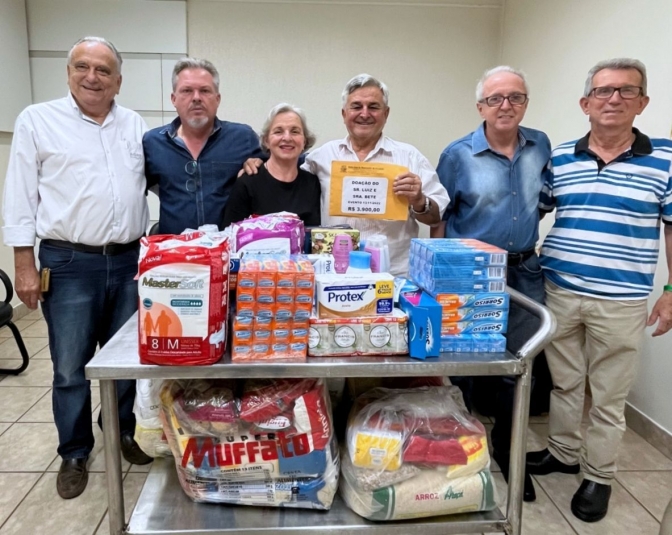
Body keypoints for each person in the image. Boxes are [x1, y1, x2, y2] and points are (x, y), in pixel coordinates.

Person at [1, 36, 152, 500]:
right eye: (83, 67)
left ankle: (121, 429)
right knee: (70, 365)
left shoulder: (134, 125)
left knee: (126, 359)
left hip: (128, 258)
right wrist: (23, 263)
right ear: (68, 73)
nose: (93, 77)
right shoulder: (37, 121)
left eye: (103, 70)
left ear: (118, 81)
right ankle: (74, 450)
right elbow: (20, 195)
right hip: (68, 262)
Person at [527, 58, 672, 522]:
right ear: (585, 102)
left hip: (622, 299)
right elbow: (539, 213)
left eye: (626, 91)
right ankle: (564, 453)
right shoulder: (562, 156)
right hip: (560, 288)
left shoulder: (665, 158)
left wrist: (670, 290)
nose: (614, 99)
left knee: (608, 395)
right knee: (565, 382)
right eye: (604, 91)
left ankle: (599, 476)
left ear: (642, 102)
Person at [431, 66, 552, 502]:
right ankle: (463, 452)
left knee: (518, 368)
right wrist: (437, 277)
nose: (506, 106)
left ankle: (507, 449)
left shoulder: (541, 146)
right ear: (480, 106)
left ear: (525, 103)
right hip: (469, 274)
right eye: (496, 99)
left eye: (515, 98)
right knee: (463, 368)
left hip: (524, 270)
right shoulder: (457, 154)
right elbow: (440, 218)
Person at [243, 74, 449, 277]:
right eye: (357, 106)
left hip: (392, 277)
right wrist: (258, 161)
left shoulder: (409, 157)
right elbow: (286, 169)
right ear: (344, 114)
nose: (365, 113)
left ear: (386, 113)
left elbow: (436, 217)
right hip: (331, 277)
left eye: (373, 107)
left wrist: (420, 201)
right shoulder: (321, 158)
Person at [143, 58, 265, 234]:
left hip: (227, 253)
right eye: (186, 91)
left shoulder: (242, 137)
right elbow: (131, 187)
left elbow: (281, 162)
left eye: (205, 91)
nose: (196, 98)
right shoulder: (153, 142)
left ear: (217, 98)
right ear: (173, 99)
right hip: (175, 254)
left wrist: (259, 164)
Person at [222, 103, 321, 227]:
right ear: (266, 141)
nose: (287, 137)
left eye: (295, 132)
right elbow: (230, 234)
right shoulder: (248, 183)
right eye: (278, 131)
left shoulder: (313, 183)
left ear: (304, 141)